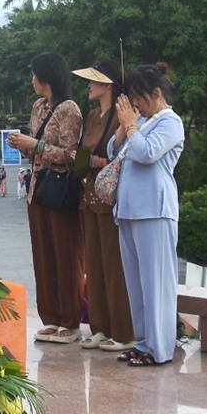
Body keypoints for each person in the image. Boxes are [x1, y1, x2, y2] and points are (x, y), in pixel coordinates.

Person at [4, 53, 84, 344]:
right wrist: (23, 144)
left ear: (46, 76)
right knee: (43, 256)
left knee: (65, 254)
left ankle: (70, 320)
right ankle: (50, 316)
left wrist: (35, 144)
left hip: (60, 188)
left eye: (34, 74)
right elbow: (37, 147)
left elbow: (73, 155)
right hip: (37, 189)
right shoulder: (38, 106)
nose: (31, 80)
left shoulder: (69, 110)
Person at [110, 64, 185, 367]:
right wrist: (124, 124)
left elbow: (145, 153)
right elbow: (115, 151)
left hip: (155, 210)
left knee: (156, 282)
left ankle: (160, 348)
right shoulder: (141, 122)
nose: (136, 105)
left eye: (139, 98)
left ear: (157, 93)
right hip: (129, 210)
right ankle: (142, 343)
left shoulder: (170, 122)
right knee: (137, 283)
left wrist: (131, 125)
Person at [77, 58, 135, 353]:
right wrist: (89, 162)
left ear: (107, 84)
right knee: (95, 266)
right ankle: (99, 326)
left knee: (114, 266)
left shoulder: (119, 116)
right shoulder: (91, 116)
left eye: (94, 80)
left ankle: (123, 330)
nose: (88, 85)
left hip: (111, 197)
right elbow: (82, 156)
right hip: (88, 195)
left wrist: (94, 161)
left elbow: (120, 156)